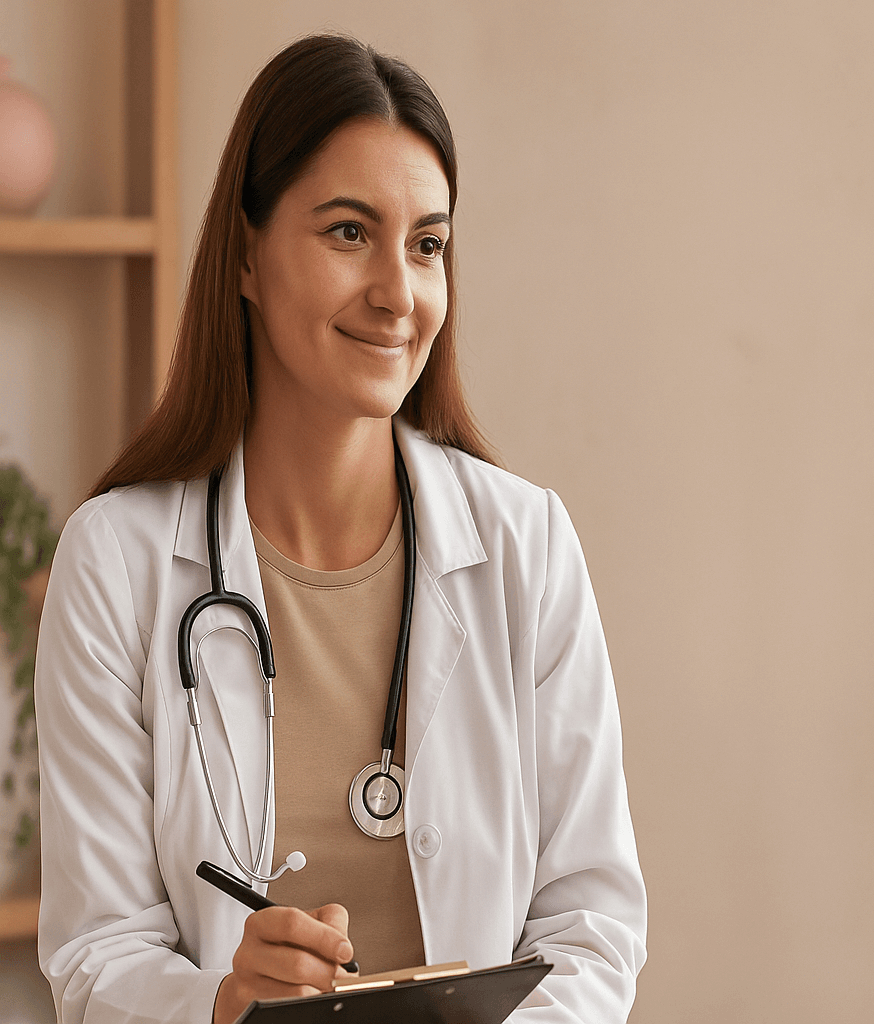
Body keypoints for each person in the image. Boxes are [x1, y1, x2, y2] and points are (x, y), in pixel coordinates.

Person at [34, 34, 645, 1024]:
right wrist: (227, 1003)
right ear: (243, 255)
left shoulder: (528, 544)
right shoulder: (117, 562)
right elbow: (97, 955)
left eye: (428, 244)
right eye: (349, 232)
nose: (399, 293)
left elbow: (591, 924)